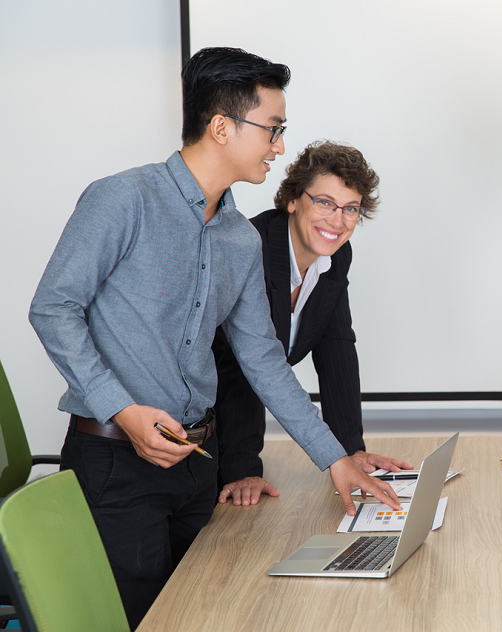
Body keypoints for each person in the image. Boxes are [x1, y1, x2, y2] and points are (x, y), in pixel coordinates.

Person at [28, 47, 400, 628]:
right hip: (116, 462)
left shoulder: (238, 239)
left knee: (205, 613)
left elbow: (263, 360)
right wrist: (123, 410)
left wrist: (336, 458)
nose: (279, 147)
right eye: (273, 130)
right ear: (222, 126)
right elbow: (53, 308)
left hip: (198, 465)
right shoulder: (124, 198)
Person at [214, 140, 412, 507]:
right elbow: (239, 363)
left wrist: (349, 449)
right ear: (292, 199)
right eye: (324, 202)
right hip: (199, 438)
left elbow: (336, 346)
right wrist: (241, 467)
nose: (337, 221)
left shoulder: (336, 257)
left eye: (350, 208)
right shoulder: (253, 246)